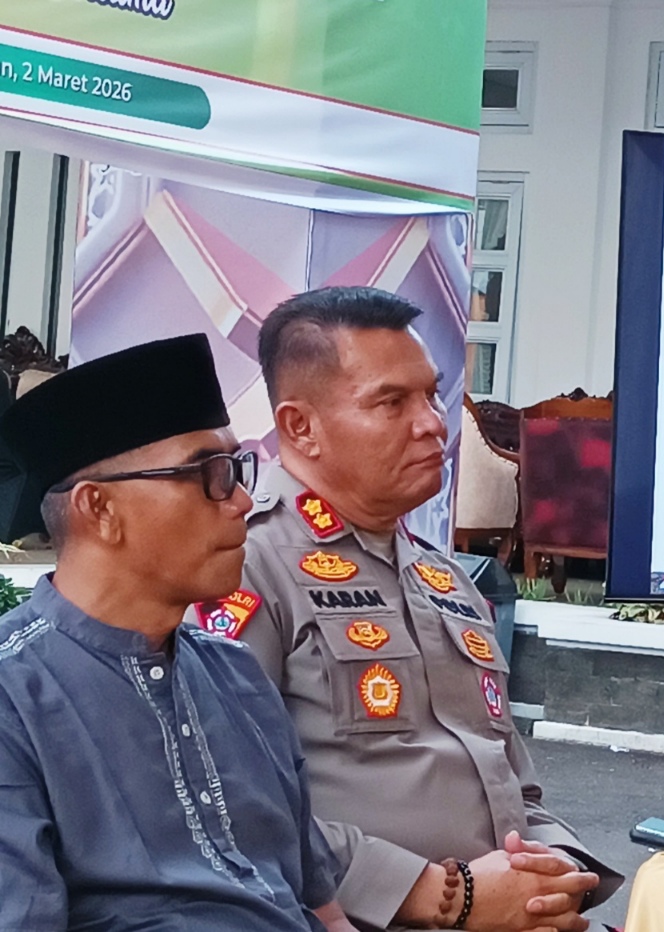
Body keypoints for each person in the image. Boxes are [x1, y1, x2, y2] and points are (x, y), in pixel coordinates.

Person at [205, 286, 617, 931]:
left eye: (430, 395)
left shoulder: (443, 576)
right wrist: (445, 895)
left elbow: (511, 782)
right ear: (300, 427)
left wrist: (558, 873)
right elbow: (229, 797)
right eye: (391, 402)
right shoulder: (245, 564)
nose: (432, 423)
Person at [0, 334, 353, 932]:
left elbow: (324, 911)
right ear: (100, 509)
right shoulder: (14, 697)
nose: (242, 501)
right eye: (210, 474)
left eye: (237, 470)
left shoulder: (237, 674)